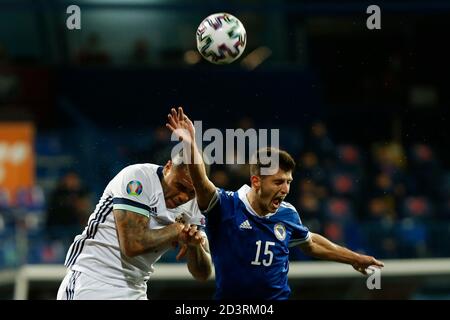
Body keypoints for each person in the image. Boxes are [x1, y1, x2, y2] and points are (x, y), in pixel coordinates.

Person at [166, 107, 384, 300]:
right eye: (279, 182)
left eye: (288, 182)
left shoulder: (288, 214)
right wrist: (190, 145)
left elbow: (311, 243)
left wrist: (354, 258)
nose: (286, 189)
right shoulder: (225, 205)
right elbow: (202, 183)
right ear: (256, 181)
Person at [56, 154, 212, 300]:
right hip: (93, 280)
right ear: (168, 167)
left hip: (135, 288)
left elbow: (203, 274)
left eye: (192, 192)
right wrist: (177, 230)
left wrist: (195, 247)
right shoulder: (138, 178)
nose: (183, 197)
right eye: (180, 186)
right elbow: (132, 245)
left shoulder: (197, 204)